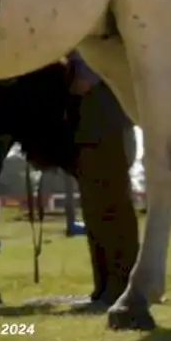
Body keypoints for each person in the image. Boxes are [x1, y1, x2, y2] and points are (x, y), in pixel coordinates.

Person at [67, 51, 140, 308]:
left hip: (108, 123)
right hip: (87, 128)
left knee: (113, 207)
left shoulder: (102, 47)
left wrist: (82, 76)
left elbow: (86, 80)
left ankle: (123, 282)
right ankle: (103, 283)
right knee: (94, 211)